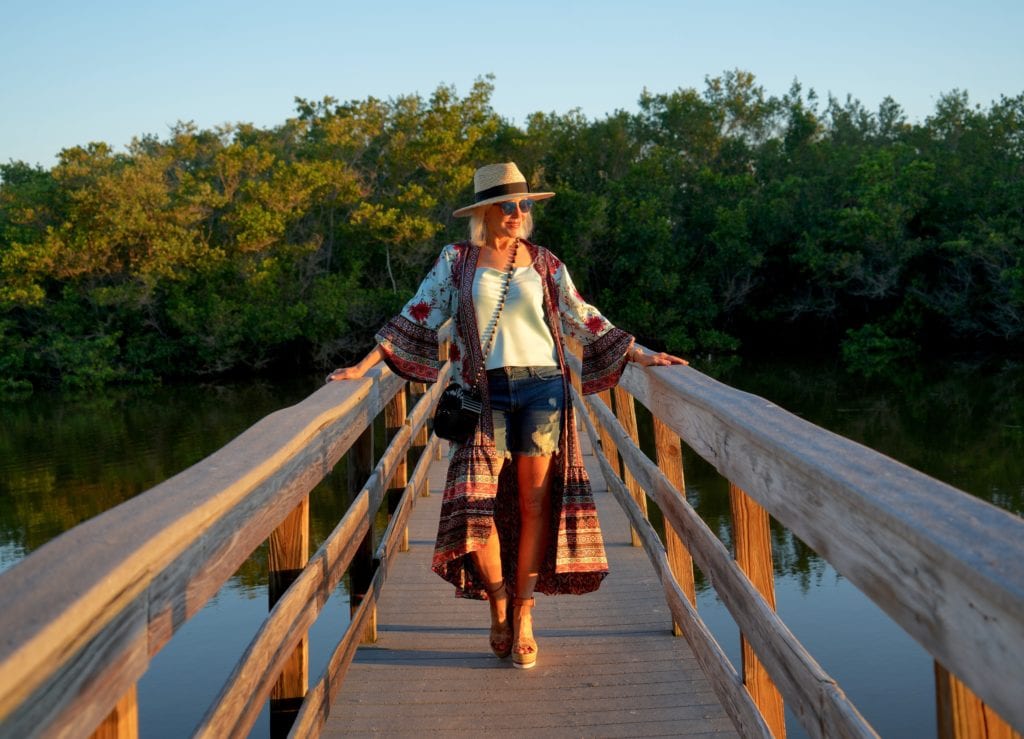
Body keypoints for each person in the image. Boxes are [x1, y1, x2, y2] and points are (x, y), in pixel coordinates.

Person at [328, 162, 687, 669]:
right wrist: (363, 366)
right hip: (484, 390)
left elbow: (582, 317)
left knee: (536, 501)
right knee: (478, 501)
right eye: (509, 205)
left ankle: (522, 613)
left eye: (525, 205)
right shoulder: (458, 261)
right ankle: (496, 599)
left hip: (543, 389)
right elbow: (419, 312)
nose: (519, 213)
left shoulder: (543, 262)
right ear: (484, 212)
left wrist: (643, 354)